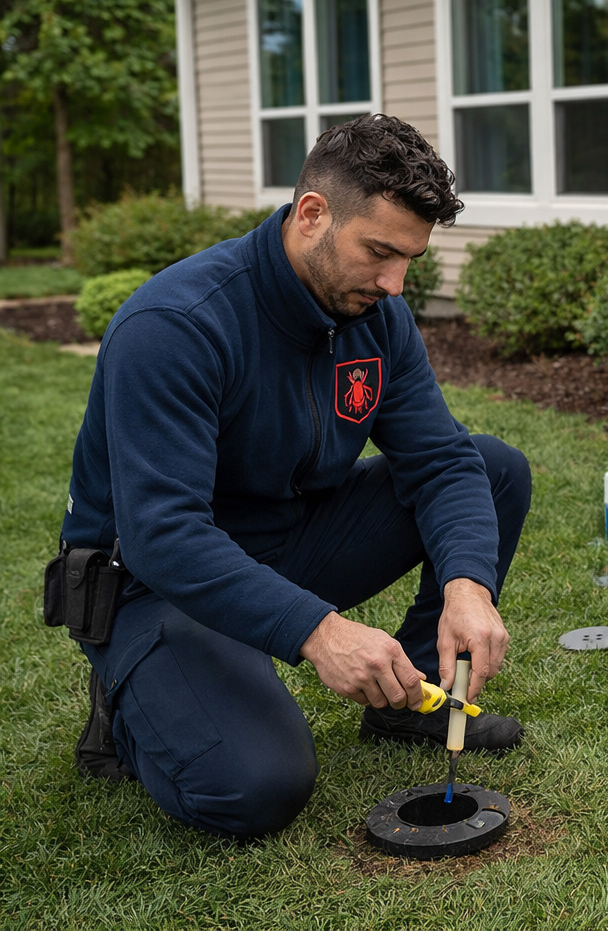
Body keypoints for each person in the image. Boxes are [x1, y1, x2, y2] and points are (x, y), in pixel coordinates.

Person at [55, 114, 532, 838]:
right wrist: (319, 632)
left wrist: (468, 583)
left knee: (493, 469)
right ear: (312, 214)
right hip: (156, 585)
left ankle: (403, 706)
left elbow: (440, 461)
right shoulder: (176, 326)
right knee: (256, 789)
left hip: (285, 541)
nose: (396, 284)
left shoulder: (376, 316)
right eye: (378, 252)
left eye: (410, 259)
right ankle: (131, 701)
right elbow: (163, 535)